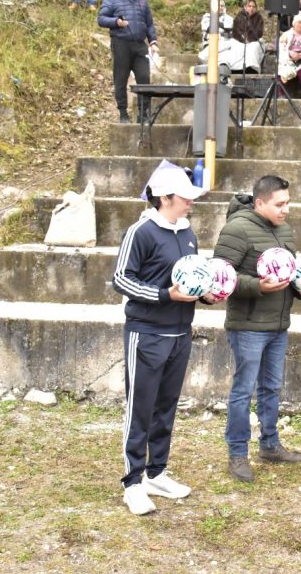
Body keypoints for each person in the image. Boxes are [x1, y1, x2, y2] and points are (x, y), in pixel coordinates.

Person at [112, 164, 209, 516]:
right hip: (147, 333)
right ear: (165, 198)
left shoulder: (187, 232)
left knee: (166, 408)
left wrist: (206, 294)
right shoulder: (140, 231)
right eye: (185, 198)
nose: (190, 204)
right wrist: (166, 295)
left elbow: (192, 279)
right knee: (140, 408)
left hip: (181, 334)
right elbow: (122, 280)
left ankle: (157, 472)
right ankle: (133, 482)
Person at [214, 176, 301, 483]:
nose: (286, 209)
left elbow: (289, 274)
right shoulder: (237, 229)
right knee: (243, 391)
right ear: (260, 203)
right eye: (279, 204)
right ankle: (237, 453)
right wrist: (258, 286)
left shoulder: (284, 229)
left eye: (288, 202)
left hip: (278, 325)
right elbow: (219, 278)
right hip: (248, 327)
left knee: (271, 388)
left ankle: (270, 444)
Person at [97, 0, 158, 124]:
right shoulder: (111, 0)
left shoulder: (142, 1)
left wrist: (153, 41)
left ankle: (143, 115)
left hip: (139, 45)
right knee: (121, 79)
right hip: (121, 43)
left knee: (144, 79)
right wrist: (116, 22)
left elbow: (149, 24)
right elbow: (101, 19)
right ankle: (123, 113)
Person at [228, 0, 266, 74]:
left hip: (253, 40)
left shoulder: (259, 18)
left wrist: (249, 39)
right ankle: (236, 69)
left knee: (253, 48)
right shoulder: (239, 16)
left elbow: (259, 32)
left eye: (253, 6)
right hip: (240, 40)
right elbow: (236, 31)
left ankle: (251, 69)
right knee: (236, 47)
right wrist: (243, 39)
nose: (251, 8)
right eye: (249, 6)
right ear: (245, 7)